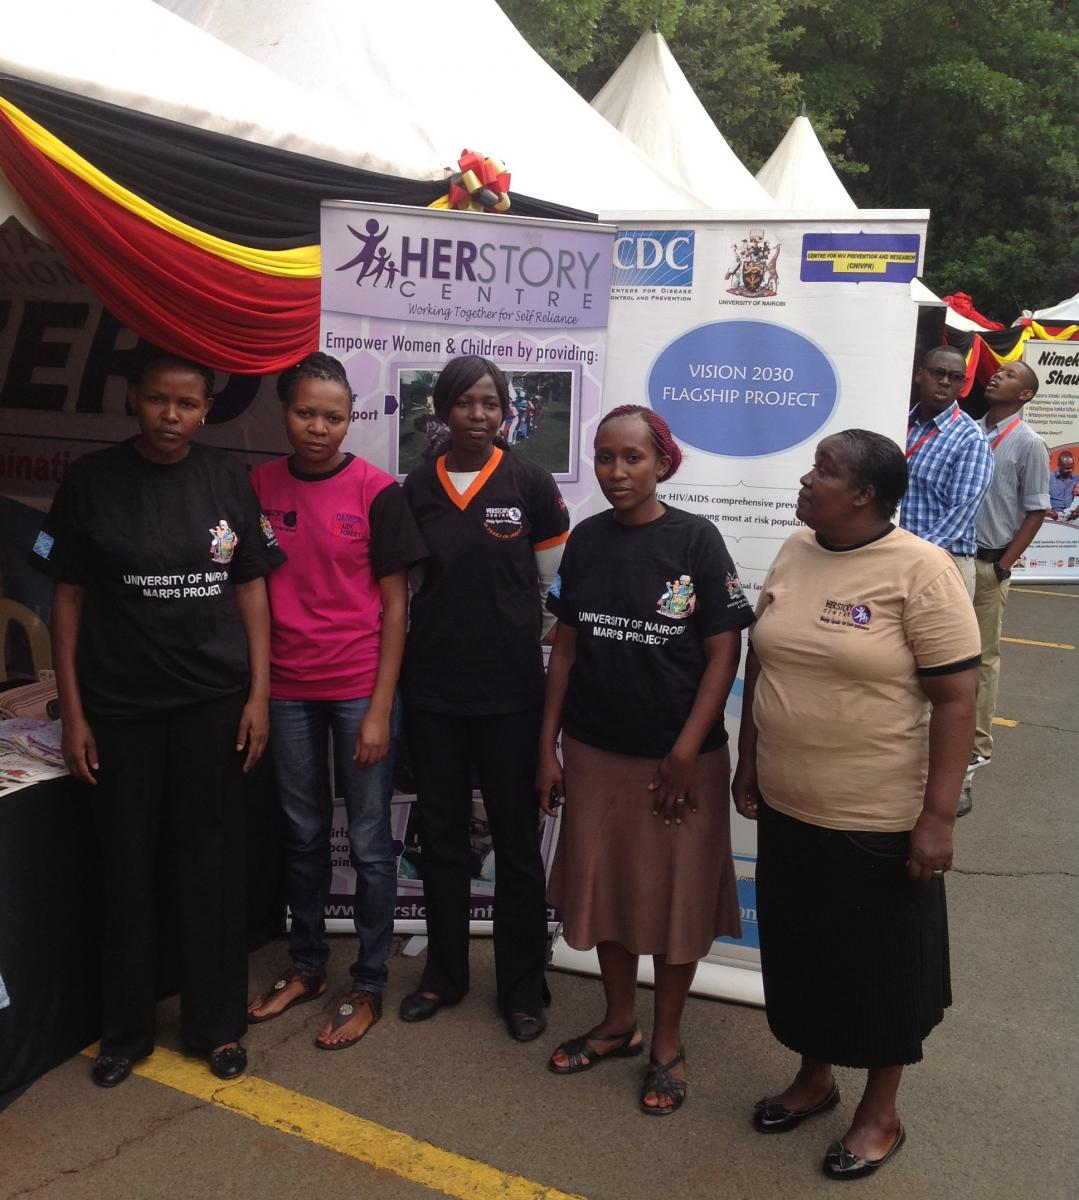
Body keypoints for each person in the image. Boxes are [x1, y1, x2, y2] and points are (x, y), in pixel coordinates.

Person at [732, 429, 980, 1180]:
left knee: (879, 971)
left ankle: (880, 1112)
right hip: (788, 804)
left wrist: (936, 818)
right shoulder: (795, 550)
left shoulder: (922, 570)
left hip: (877, 817)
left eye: (824, 471)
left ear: (866, 494)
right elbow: (760, 656)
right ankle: (814, 1079)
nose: (806, 481)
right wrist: (748, 758)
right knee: (803, 953)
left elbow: (956, 699)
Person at [32, 352, 285, 1087]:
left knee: (210, 867)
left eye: (187, 404)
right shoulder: (92, 481)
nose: (171, 415)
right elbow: (67, 599)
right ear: (133, 401)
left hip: (212, 707)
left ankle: (216, 1027)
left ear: (206, 410)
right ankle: (125, 1032)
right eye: (156, 400)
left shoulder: (225, 479)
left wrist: (258, 695)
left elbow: (251, 589)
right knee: (126, 868)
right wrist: (74, 712)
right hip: (121, 710)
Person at [538, 405, 753, 1116]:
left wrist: (686, 750)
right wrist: (547, 747)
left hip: (677, 762)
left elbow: (724, 651)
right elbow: (565, 649)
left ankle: (666, 1042)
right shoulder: (587, 540)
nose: (616, 471)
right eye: (604, 457)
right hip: (596, 752)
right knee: (608, 893)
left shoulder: (695, 540)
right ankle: (617, 1023)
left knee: (675, 902)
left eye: (632, 457)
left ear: (662, 463)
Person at [245, 353, 427, 1049]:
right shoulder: (257, 486)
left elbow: (396, 606)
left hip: (358, 688)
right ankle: (307, 966)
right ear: (285, 412)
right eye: (305, 413)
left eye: (334, 416)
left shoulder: (377, 491)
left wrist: (380, 708)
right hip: (287, 689)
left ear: (351, 418)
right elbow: (249, 589)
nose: (318, 428)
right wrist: (261, 692)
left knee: (373, 844)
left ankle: (369, 982)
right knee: (302, 834)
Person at [397, 355, 569, 1041]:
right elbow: (408, 587)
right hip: (433, 693)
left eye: (490, 403)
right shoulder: (417, 486)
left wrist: (513, 632)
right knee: (441, 838)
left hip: (510, 695)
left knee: (516, 844)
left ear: (506, 412)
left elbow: (555, 589)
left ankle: (522, 987)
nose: (478, 414)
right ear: (442, 410)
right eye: (465, 402)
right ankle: (444, 975)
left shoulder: (529, 482)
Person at [968, 363, 1050, 779]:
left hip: (988, 564)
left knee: (982, 658)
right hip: (949, 562)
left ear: (1026, 395)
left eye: (1011, 374)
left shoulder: (1029, 443)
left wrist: (1003, 566)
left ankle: (976, 746)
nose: (998, 374)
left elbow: (1036, 510)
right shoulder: (966, 432)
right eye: (999, 370)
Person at [899, 345, 993, 596]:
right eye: (938, 373)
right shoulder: (899, 424)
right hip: (894, 558)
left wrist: (912, 555)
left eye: (955, 377)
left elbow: (960, 513)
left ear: (962, 385)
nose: (945, 381)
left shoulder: (971, 439)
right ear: (920, 375)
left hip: (943, 562)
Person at [1047, 450, 1077, 519]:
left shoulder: (1077, 479)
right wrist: (1048, 510)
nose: (1070, 470)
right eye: (1067, 468)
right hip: (1053, 515)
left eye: (1072, 467)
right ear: (1059, 466)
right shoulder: (1049, 477)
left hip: (1072, 516)